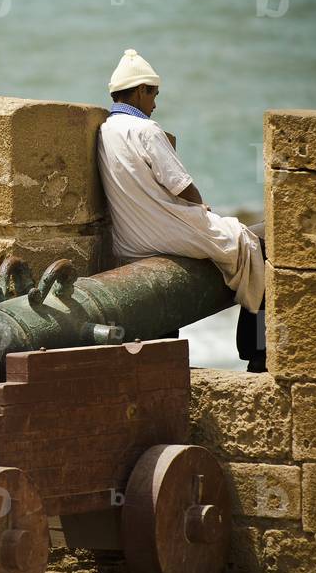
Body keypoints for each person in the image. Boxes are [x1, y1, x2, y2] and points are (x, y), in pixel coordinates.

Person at [97, 47, 266, 371]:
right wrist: (202, 206)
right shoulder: (146, 130)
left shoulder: (106, 130)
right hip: (166, 233)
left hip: (131, 240)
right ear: (141, 91)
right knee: (252, 249)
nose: (155, 103)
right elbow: (181, 185)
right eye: (153, 94)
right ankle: (256, 352)